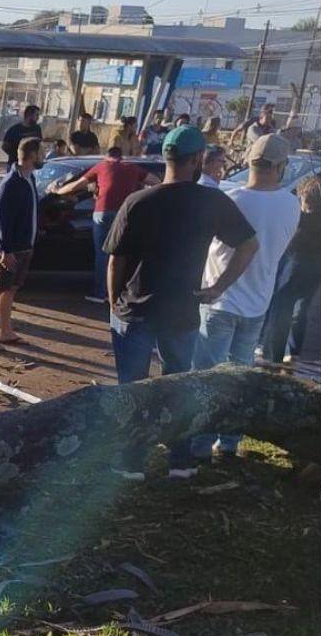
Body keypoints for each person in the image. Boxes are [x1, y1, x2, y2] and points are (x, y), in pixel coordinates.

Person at [103, 125, 258, 480]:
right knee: (179, 387)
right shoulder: (211, 201)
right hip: (182, 311)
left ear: (166, 158)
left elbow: (116, 260)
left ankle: (131, 462)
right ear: (198, 159)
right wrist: (218, 287)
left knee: (134, 390)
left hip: (135, 309)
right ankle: (181, 461)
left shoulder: (139, 201)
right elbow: (249, 244)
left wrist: (114, 301)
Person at [191, 133, 300, 459]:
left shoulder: (230, 199)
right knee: (240, 378)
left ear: (249, 162)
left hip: (219, 299)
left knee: (206, 378)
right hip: (257, 303)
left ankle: (198, 446)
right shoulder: (291, 204)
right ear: (280, 166)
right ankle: (228, 441)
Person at [50, 146, 159, 303]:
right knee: (121, 252)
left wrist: (57, 191)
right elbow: (156, 182)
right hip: (125, 215)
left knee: (103, 253)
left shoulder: (101, 166)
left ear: (107, 157)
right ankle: (120, 291)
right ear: (121, 157)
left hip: (103, 213)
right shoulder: (132, 168)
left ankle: (101, 292)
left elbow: (75, 186)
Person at [0, 137, 43, 348]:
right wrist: (5, 250)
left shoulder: (29, 178)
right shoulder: (11, 182)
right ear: (32, 155)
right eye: (41, 152)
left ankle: (6, 331)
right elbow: (1, 219)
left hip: (24, 246)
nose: (44, 156)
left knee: (10, 289)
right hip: (9, 249)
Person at [260, 174, 321, 364]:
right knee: (302, 308)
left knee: (282, 307)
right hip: (318, 266)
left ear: (305, 197)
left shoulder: (301, 218)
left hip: (296, 264)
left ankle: (274, 353)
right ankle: (294, 350)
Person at [1, 104, 42, 169]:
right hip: (16, 164)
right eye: (36, 115)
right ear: (29, 115)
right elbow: (4, 146)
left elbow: (39, 144)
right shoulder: (14, 130)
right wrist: (18, 155)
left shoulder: (37, 129)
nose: (38, 118)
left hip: (31, 165)